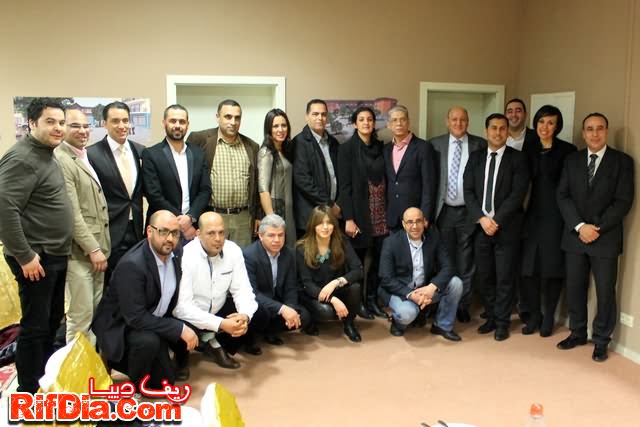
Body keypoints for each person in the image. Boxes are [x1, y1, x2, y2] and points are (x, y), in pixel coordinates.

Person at [0, 98, 73, 393]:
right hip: (36, 257)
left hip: (53, 254)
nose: (58, 128)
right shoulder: (22, 158)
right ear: (32, 124)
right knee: (35, 327)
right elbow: (5, 209)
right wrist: (25, 256)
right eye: (50, 122)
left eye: (61, 122)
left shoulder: (47, 154)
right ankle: (28, 392)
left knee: (51, 322)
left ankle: (43, 383)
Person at [556, 113, 634, 362]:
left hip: (605, 238)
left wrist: (596, 228)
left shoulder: (622, 162)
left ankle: (601, 340)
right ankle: (577, 332)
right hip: (575, 237)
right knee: (575, 288)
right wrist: (580, 226)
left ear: (606, 131)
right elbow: (562, 196)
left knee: (605, 292)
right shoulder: (572, 160)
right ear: (583, 133)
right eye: (590, 129)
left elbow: (623, 201)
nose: (595, 133)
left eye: (600, 128)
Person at [93, 211, 197, 388]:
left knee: (164, 383)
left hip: (151, 319)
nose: (170, 238)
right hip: (122, 327)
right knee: (150, 341)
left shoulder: (176, 252)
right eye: (163, 231)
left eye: (175, 233)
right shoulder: (133, 265)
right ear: (149, 231)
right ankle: (133, 385)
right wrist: (178, 328)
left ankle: (155, 361)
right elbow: (135, 318)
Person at [463, 113, 529, 341]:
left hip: (507, 228)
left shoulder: (518, 159)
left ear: (507, 132)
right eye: (494, 128)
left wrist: (497, 220)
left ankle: (502, 322)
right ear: (486, 131)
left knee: (505, 278)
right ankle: (491, 316)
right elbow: (468, 191)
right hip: (481, 228)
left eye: (502, 128)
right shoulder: (476, 158)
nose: (498, 132)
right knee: (485, 277)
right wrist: (482, 219)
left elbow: (517, 194)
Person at [173, 212, 265, 369]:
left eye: (221, 232)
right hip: (192, 315)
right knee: (181, 328)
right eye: (211, 233)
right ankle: (191, 350)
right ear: (198, 234)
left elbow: (243, 290)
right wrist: (221, 324)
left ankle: (210, 342)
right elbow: (182, 307)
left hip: (218, 308)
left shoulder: (233, 250)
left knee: (259, 313)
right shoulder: (186, 256)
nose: (218, 238)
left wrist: (244, 316)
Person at [55, 109, 111, 344]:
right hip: (79, 254)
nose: (83, 131)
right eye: (75, 126)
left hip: (95, 252)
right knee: (80, 319)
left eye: (86, 126)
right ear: (63, 128)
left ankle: (91, 363)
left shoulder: (82, 155)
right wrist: (93, 248)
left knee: (94, 315)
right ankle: (75, 366)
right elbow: (72, 213)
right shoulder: (61, 160)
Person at [520, 105, 576, 336]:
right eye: (541, 122)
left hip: (556, 216)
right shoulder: (528, 147)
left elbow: (570, 187)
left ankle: (549, 316)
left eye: (551, 122)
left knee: (551, 269)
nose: (545, 127)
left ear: (557, 126)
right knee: (528, 269)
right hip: (531, 215)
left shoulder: (568, 150)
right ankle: (534, 315)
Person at [429, 106, 487, 323]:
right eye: (454, 119)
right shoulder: (434, 145)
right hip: (443, 211)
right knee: (443, 260)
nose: (458, 123)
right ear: (447, 121)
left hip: (469, 212)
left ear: (468, 122)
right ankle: (442, 303)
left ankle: (462, 305)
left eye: (463, 119)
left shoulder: (480, 145)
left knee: (466, 262)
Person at [379, 207, 463, 340]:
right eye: (410, 222)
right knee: (407, 314)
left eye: (418, 221)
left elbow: (448, 266)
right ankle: (398, 322)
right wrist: (412, 295)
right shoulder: (391, 243)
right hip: (400, 291)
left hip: (425, 289)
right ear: (403, 224)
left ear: (424, 222)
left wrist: (432, 287)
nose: (414, 226)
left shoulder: (434, 238)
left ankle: (442, 325)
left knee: (456, 283)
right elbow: (386, 278)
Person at [337, 106, 388, 319]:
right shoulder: (347, 150)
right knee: (358, 264)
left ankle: (372, 301)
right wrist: (348, 219)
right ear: (354, 123)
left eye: (369, 119)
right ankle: (358, 304)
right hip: (359, 214)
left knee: (377, 262)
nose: (366, 123)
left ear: (374, 123)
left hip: (382, 213)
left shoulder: (381, 148)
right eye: (361, 119)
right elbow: (344, 188)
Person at [186, 99, 259, 247]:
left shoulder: (251, 146)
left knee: (241, 258)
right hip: (212, 216)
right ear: (217, 117)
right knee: (211, 257)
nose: (233, 122)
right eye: (228, 117)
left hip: (243, 218)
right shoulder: (199, 140)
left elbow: (257, 185)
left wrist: (258, 215)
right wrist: (192, 218)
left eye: (237, 118)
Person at [88, 101, 145, 286]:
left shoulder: (140, 151)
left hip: (136, 230)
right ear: (104, 123)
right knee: (110, 286)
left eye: (125, 120)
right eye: (115, 121)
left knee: (134, 282)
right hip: (109, 232)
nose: (122, 126)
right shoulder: (92, 155)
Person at [142, 104, 211, 241]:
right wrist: (182, 224)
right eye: (173, 121)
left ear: (187, 125)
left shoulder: (198, 153)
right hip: (162, 229)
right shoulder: (151, 154)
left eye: (182, 121)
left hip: (194, 228)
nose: (178, 125)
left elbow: (205, 190)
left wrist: (190, 218)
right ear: (164, 123)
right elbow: (154, 195)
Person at [296, 205, 364, 342]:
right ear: (313, 225)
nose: (325, 227)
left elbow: (358, 270)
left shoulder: (342, 242)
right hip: (313, 293)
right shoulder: (301, 248)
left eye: (329, 223)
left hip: (335, 288)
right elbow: (307, 284)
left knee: (355, 288)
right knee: (326, 312)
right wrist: (332, 299)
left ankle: (349, 323)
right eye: (320, 223)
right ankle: (311, 321)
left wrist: (335, 283)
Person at [243, 214, 311, 345]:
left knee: (304, 317)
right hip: (258, 302)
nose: (277, 240)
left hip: (277, 300)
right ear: (261, 236)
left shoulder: (289, 254)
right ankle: (251, 337)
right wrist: (282, 309)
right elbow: (252, 294)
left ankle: (271, 331)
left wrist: (290, 308)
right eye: (271, 235)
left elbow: (290, 287)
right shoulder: (249, 255)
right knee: (260, 313)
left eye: (280, 235)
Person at [383, 105, 436, 229]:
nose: (399, 123)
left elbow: (429, 185)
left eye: (403, 119)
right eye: (394, 120)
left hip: (415, 217)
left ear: (408, 122)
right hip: (393, 216)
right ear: (389, 125)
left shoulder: (423, 147)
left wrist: (425, 215)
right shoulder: (386, 149)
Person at [293, 99, 341, 235]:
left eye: (323, 114)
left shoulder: (333, 143)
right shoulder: (299, 143)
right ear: (306, 116)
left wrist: (337, 204)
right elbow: (303, 181)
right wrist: (329, 204)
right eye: (315, 114)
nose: (320, 118)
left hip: (332, 214)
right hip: (311, 215)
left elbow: (340, 176)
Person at [257, 109, 296, 246]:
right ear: (269, 129)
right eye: (275, 126)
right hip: (275, 209)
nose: (281, 130)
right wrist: (272, 219)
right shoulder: (266, 153)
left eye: (284, 125)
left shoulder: (286, 150)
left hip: (289, 208)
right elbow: (263, 190)